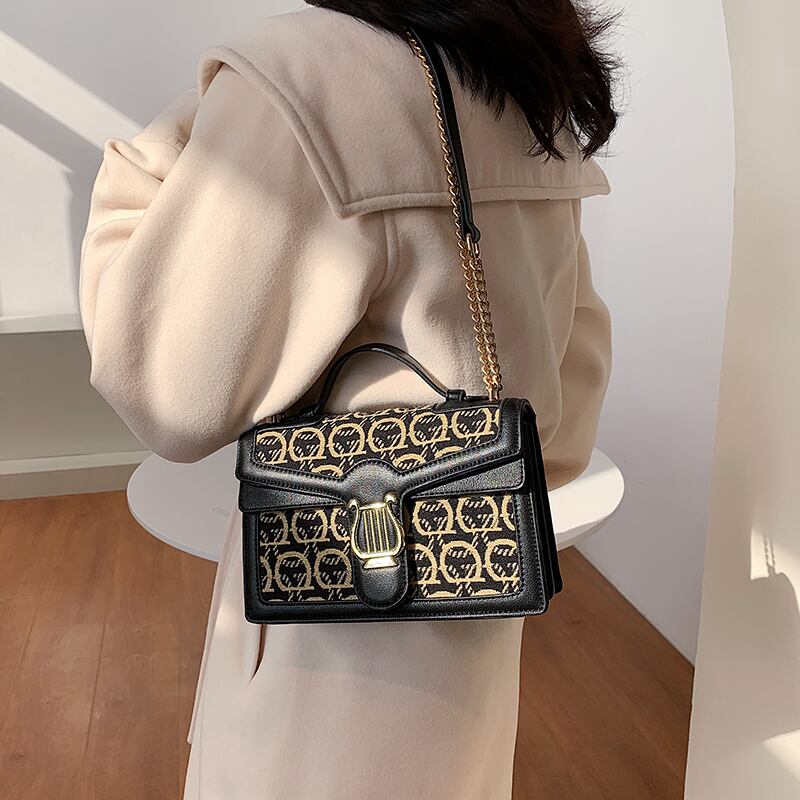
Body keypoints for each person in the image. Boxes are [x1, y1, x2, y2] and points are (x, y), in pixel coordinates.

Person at [79, 3, 617, 798]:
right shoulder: (523, 60)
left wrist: (145, 163)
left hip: (323, 647)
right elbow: (559, 435)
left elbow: (162, 395)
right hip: (471, 613)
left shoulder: (296, 71)